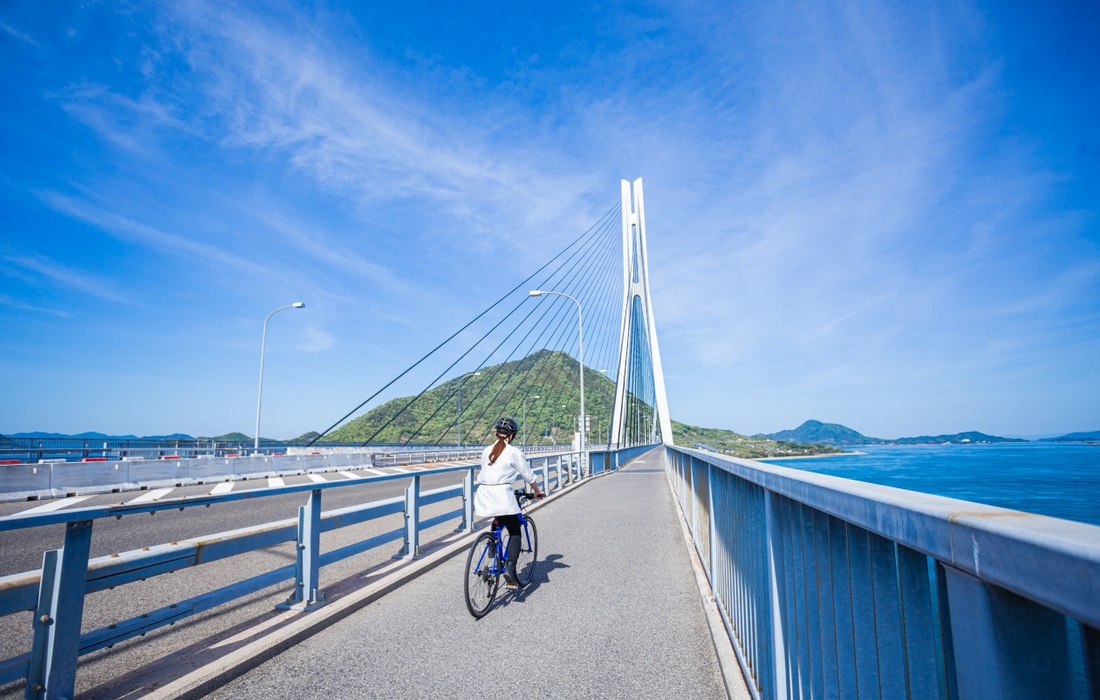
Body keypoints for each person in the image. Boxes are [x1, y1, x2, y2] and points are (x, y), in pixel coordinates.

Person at [474, 416, 544, 587]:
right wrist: (537, 491)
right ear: (512, 435)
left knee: (499, 519)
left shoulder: (486, 451)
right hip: (501, 494)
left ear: (496, 433)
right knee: (514, 531)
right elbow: (527, 475)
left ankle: (492, 545)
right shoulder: (513, 452)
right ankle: (510, 567)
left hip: (483, 494)